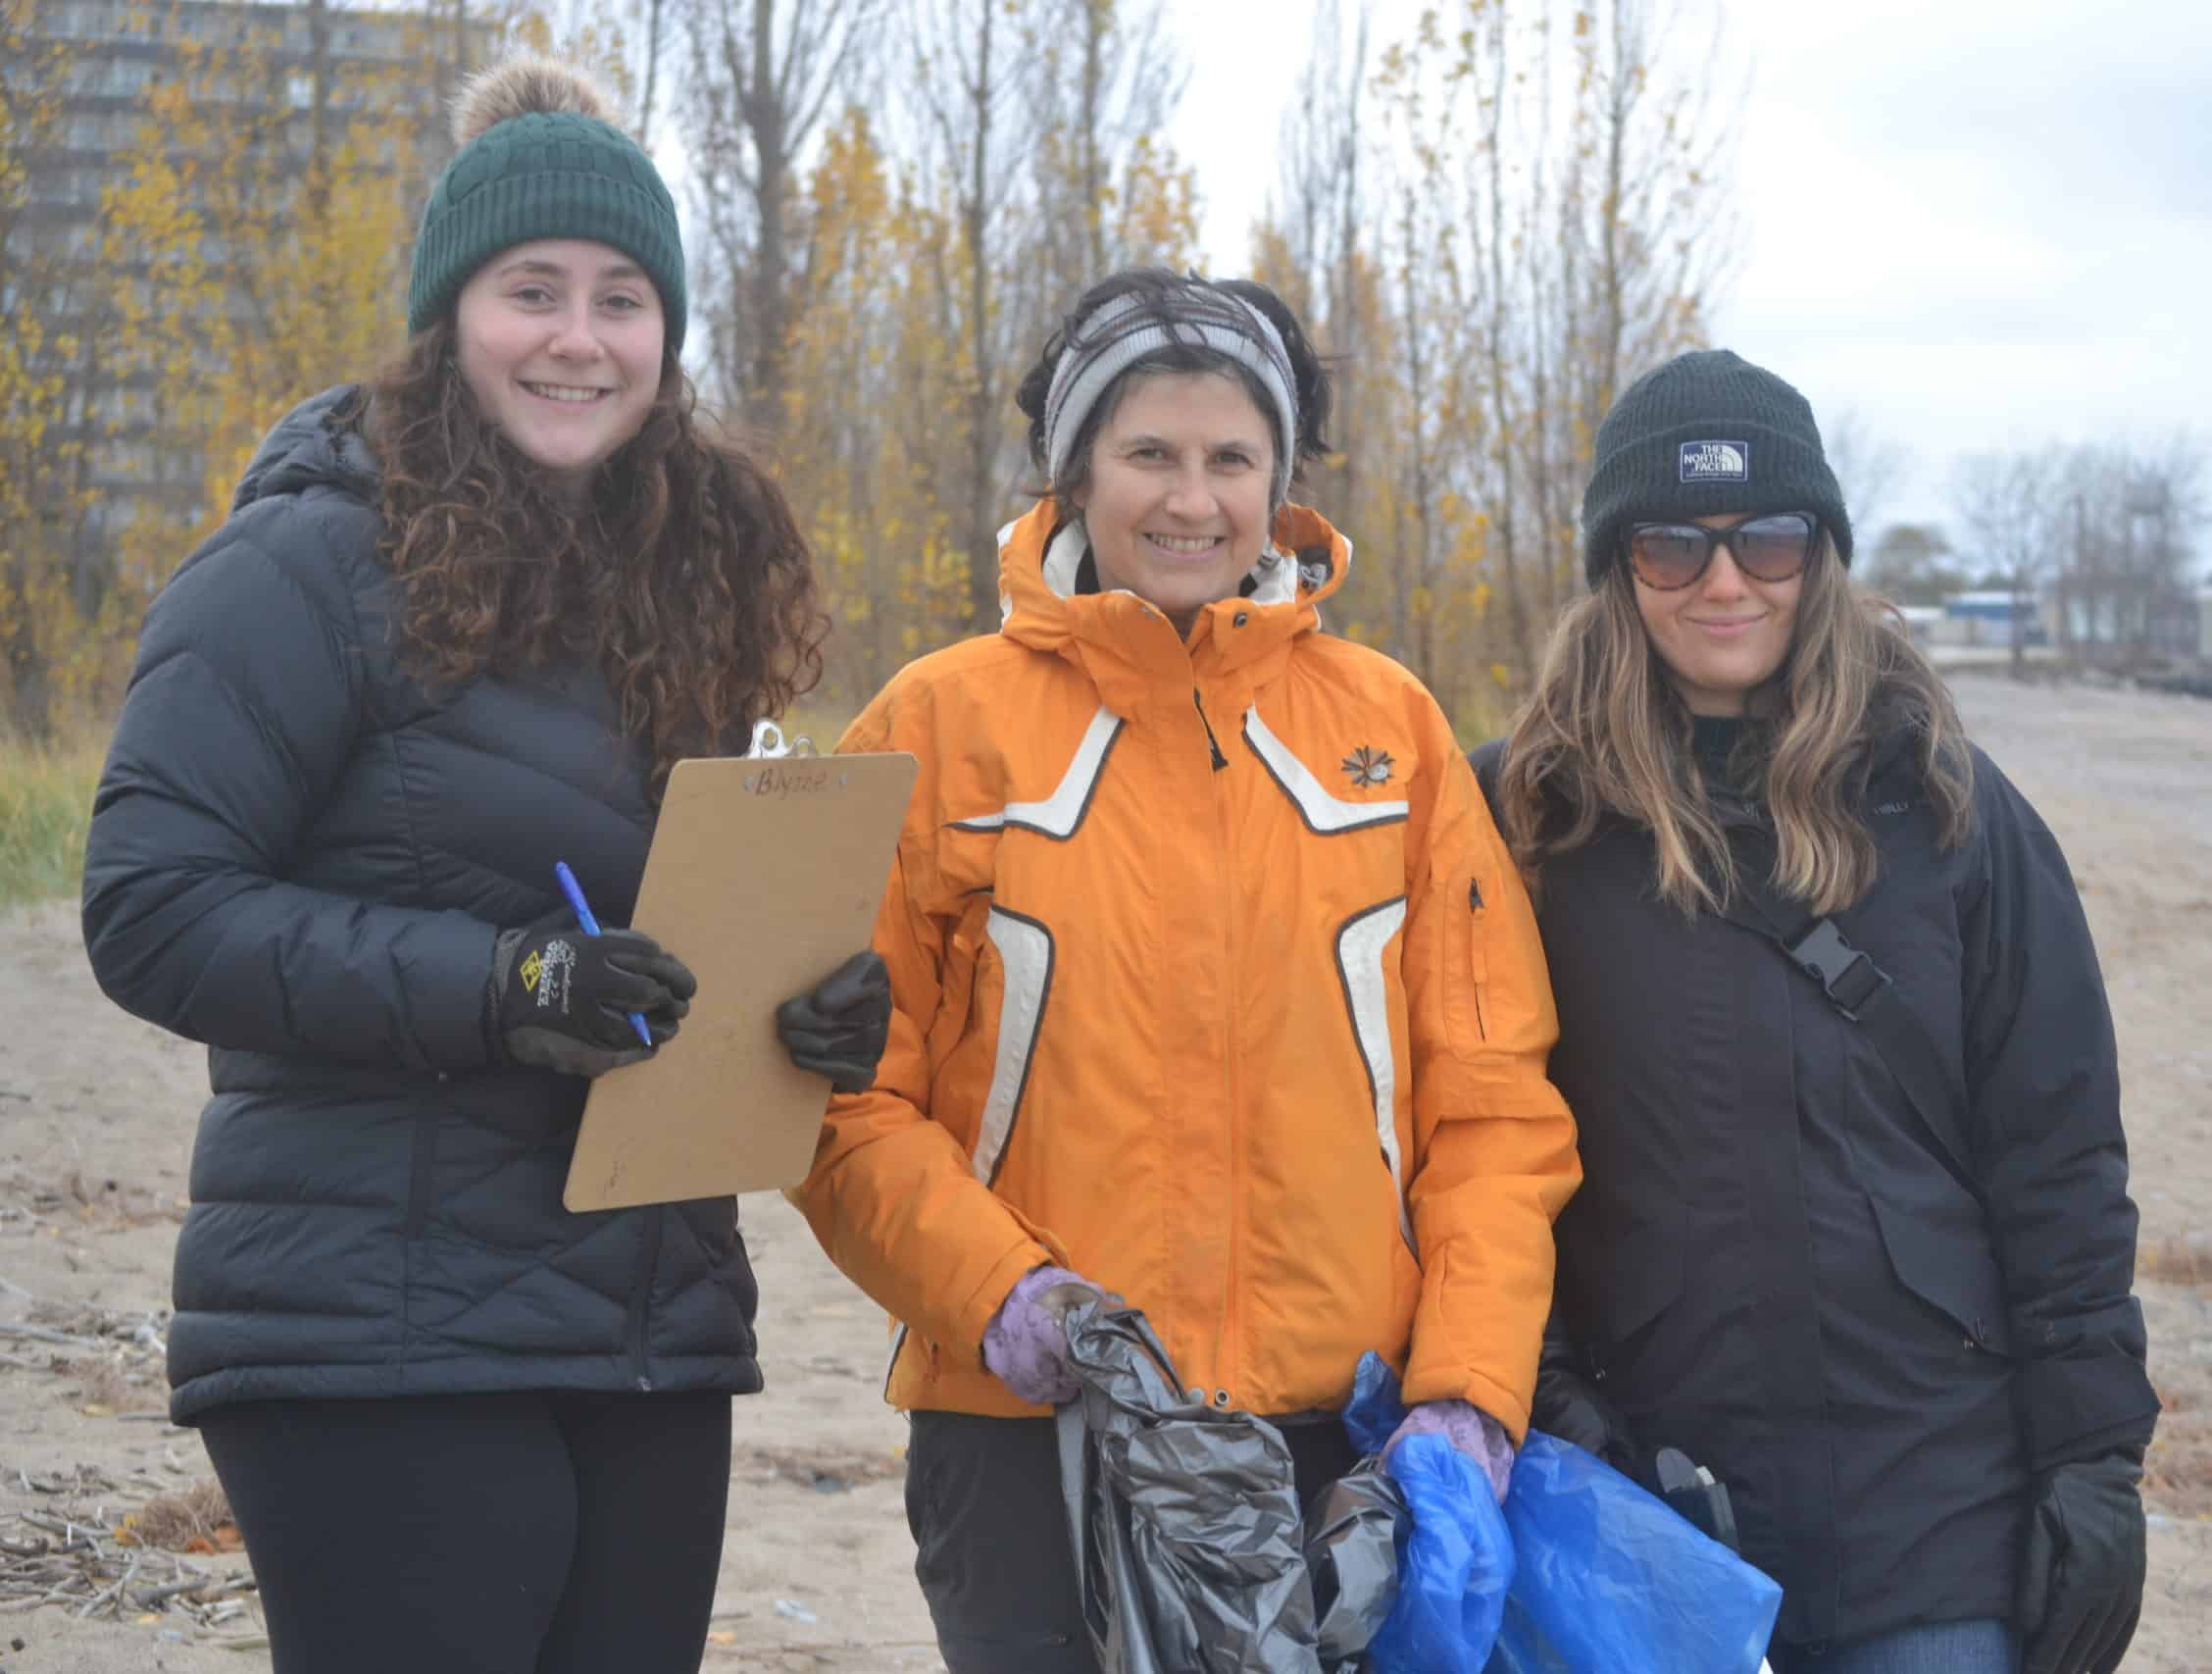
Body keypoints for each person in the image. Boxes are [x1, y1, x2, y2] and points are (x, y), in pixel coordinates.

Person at [80, 58, 888, 1674]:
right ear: (451, 316)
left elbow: (666, 935)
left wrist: (808, 1013)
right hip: (366, 1324)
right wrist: (509, 985)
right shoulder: (306, 557)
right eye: (534, 291)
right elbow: (152, 907)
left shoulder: (685, 590)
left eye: (622, 298)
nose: (579, 337)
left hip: (646, 1321)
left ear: (666, 342)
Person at [786, 267, 1581, 1671]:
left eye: (1233, 460)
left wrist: (1466, 1393)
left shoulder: (1390, 731)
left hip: (1338, 1448)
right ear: (1076, 471)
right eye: (1148, 452)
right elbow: (838, 1101)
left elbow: (1493, 1107)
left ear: (1281, 486)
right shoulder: (935, 726)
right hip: (1023, 1442)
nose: (1190, 500)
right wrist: (1002, 1296)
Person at [1479, 350, 2157, 1674]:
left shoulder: (1953, 807)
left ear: (1821, 553)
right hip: (1634, 1498)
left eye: (1766, 540)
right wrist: (1550, 1405)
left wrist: (2093, 1458)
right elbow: (1457, 1144)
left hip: (1930, 1509)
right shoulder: (1522, 821)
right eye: (1673, 544)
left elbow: (2061, 1156)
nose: (1724, 581)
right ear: (1618, 566)